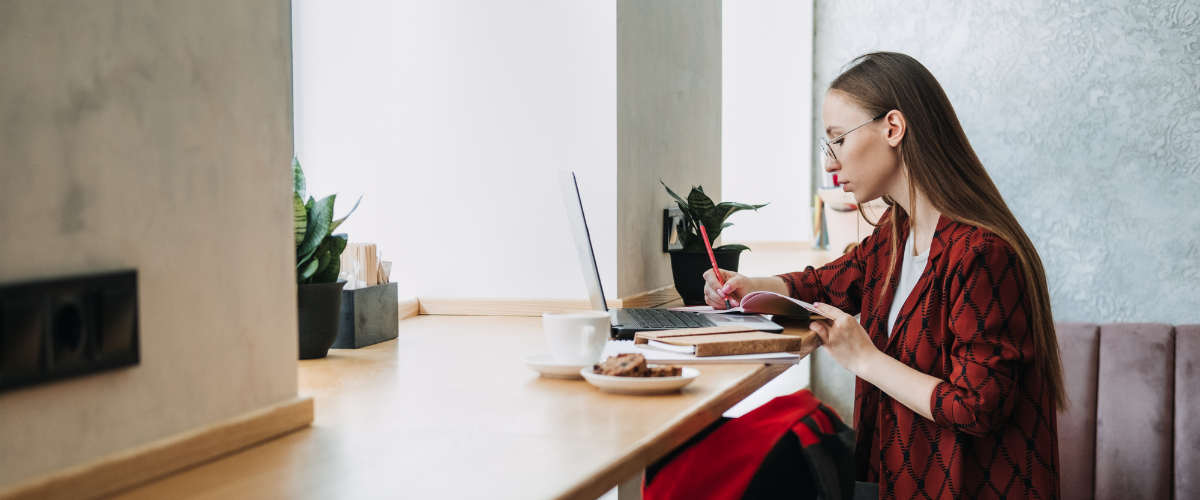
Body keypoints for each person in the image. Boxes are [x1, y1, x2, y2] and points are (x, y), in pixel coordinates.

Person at [703, 52, 1064, 500]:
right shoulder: (897, 234)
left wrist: (866, 359)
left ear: (893, 128)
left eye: (837, 139)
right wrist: (750, 286)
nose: (830, 163)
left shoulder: (982, 254)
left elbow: (977, 407)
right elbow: (827, 282)